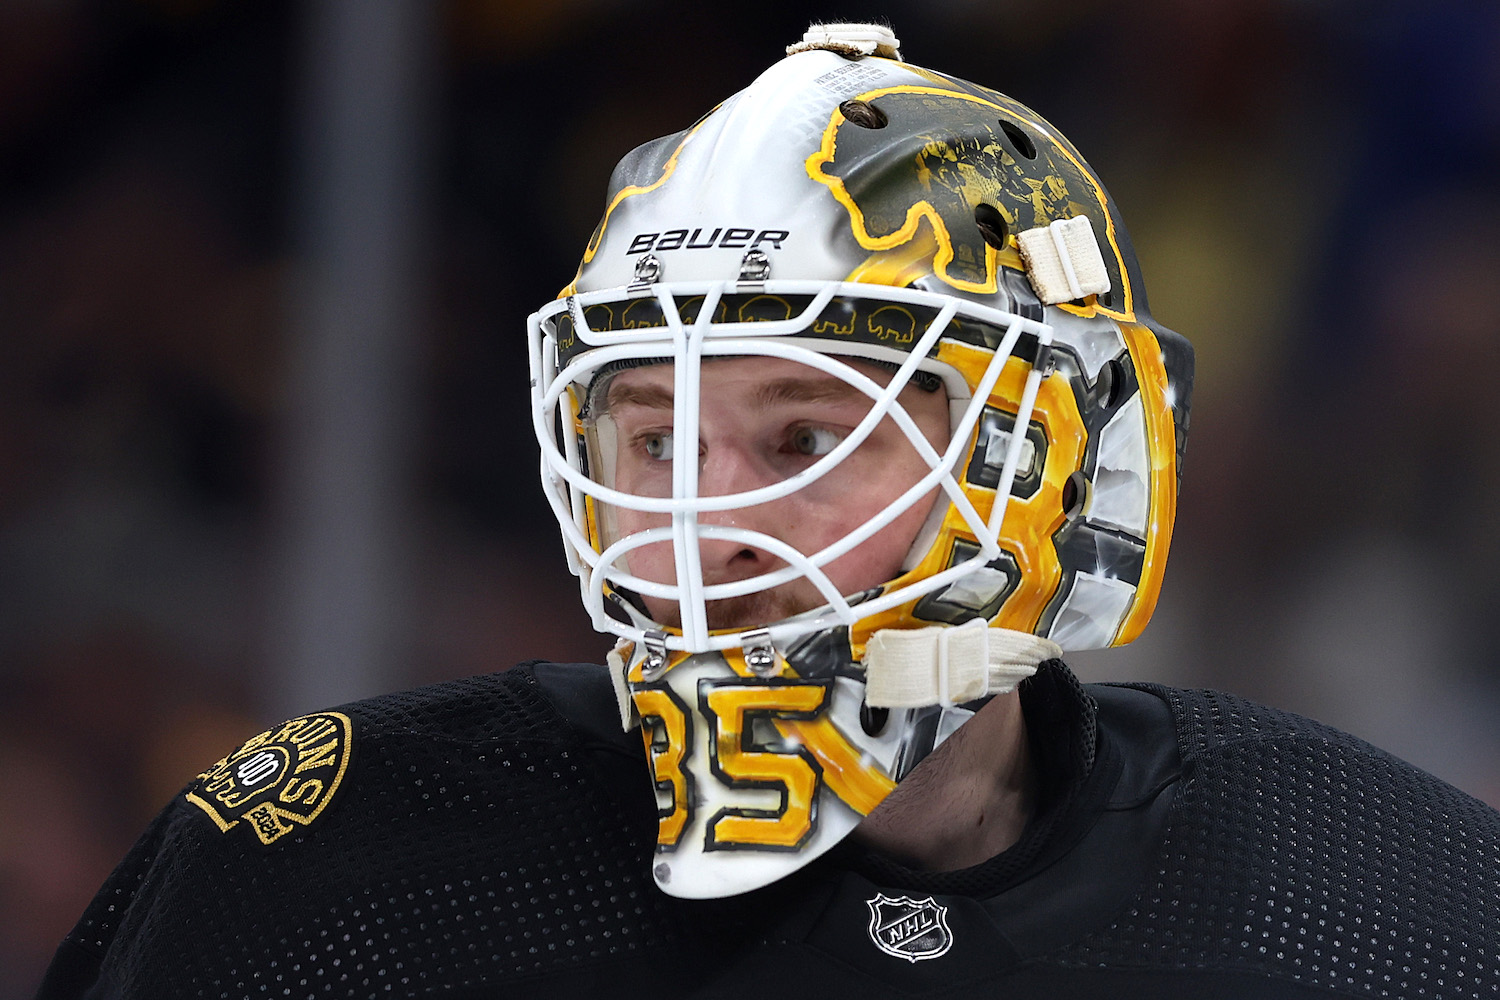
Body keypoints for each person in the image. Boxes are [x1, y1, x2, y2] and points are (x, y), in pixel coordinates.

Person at [39, 23, 1500, 999]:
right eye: (653, 433)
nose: (697, 524)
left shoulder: (1377, 891)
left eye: (805, 431)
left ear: (1048, 455)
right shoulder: (323, 878)